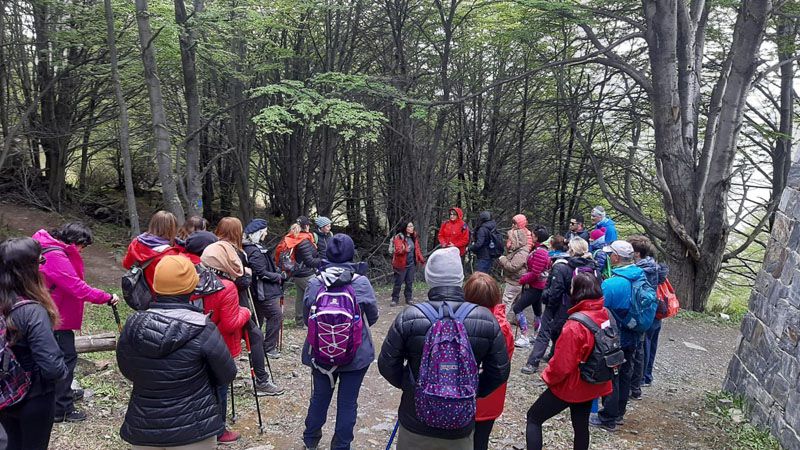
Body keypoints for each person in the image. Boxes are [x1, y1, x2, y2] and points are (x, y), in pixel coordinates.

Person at [377, 247, 510, 450]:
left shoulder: (409, 317)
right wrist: (471, 390)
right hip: (460, 424)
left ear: (429, 278)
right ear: (460, 278)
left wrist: (412, 385)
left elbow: (387, 364)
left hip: (415, 421)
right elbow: (499, 371)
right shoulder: (486, 320)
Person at [117, 254, 237, 450]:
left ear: (156, 284)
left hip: (144, 425)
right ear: (192, 285)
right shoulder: (203, 328)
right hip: (194, 427)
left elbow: (127, 369)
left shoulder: (133, 324)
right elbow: (227, 373)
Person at [32, 223, 118, 423]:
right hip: (53, 315)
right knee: (64, 358)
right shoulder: (56, 255)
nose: (82, 251)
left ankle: (61, 395)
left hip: (48, 309)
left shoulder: (46, 246)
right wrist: (106, 297)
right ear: (74, 242)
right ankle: (61, 408)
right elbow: (76, 286)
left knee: (55, 357)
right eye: (82, 246)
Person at [301, 234, 379, 450]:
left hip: (321, 353)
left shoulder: (315, 282)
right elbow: (372, 317)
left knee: (320, 397)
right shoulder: (361, 283)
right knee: (347, 403)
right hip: (356, 355)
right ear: (351, 254)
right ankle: (342, 446)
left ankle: (310, 441)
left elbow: (307, 315)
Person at [526, 272, 613, 450]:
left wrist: (548, 377)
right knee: (580, 426)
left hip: (573, 384)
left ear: (578, 292)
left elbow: (562, 365)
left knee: (534, 418)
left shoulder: (575, 325)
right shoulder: (606, 313)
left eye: (572, 287)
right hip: (594, 381)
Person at [0, 238, 67, 450]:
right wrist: (63, 373)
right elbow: (51, 366)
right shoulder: (32, 312)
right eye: (41, 261)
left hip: (4, 390)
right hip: (34, 396)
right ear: (29, 269)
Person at [591, 240, 645, 432]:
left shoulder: (613, 283)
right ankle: (619, 413)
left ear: (615, 257)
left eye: (610, 254)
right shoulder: (641, 277)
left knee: (613, 374)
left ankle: (608, 418)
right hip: (634, 334)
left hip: (615, 337)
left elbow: (597, 308)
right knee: (625, 373)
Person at [522, 237, 595, 374]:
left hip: (559, 305)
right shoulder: (592, 267)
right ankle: (553, 355)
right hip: (579, 306)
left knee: (545, 332)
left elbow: (555, 291)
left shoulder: (562, 267)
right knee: (560, 331)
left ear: (571, 250)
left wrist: (546, 298)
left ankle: (532, 362)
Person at [463, 273, 513, 450]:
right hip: (490, 394)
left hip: (470, 395)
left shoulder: (463, 323)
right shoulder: (503, 325)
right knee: (480, 441)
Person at [627, 235, 669, 398]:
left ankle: (640, 379)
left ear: (637, 253)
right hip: (656, 310)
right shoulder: (654, 265)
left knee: (643, 346)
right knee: (651, 344)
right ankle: (647, 376)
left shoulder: (641, 270)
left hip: (646, 312)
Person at [243, 219, 286, 359]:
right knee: (275, 315)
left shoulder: (252, 247)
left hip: (259, 291)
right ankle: (268, 348)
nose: (267, 233)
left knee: (258, 317)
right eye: (265, 230)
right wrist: (278, 276)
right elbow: (260, 273)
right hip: (263, 292)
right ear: (259, 232)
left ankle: (255, 345)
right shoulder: (254, 251)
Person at [122, 211, 181, 293]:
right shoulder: (171, 253)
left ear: (153, 224)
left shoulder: (136, 242)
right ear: (173, 229)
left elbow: (126, 264)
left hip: (140, 292)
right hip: (159, 295)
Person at [281, 216, 322, 324]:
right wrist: (322, 260)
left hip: (297, 273)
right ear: (306, 226)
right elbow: (310, 261)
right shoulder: (304, 240)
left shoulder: (295, 237)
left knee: (300, 297)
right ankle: (315, 320)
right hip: (306, 274)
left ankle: (300, 321)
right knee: (318, 294)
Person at [515, 226, 551, 346]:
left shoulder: (540, 252)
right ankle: (536, 335)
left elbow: (536, 273)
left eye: (533, 235)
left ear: (537, 237)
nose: (531, 236)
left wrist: (522, 279)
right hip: (539, 285)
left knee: (518, 308)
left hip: (536, 286)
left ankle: (524, 335)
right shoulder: (541, 249)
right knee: (537, 311)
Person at [497, 228, 529, 347]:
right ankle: (522, 333)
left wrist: (502, 259)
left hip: (515, 283)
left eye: (511, 239)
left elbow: (513, 266)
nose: (509, 241)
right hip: (514, 281)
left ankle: (500, 331)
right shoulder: (517, 250)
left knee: (505, 307)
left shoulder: (522, 252)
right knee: (517, 308)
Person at [390, 222, 426, 307]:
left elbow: (417, 250)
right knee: (398, 282)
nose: (412, 228)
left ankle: (408, 298)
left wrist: (422, 260)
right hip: (400, 264)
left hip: (411, 264)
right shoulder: (399, 237)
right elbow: (397, 250)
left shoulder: (413, 237)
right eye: (409, 226)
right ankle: (394, 299)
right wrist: (405, 249)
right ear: (405, 227)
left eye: (412, 226)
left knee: (409, 282)